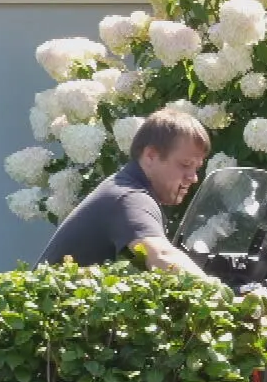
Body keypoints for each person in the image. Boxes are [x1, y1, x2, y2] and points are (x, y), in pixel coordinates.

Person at [39, 109, 211, 275]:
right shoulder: (129, 197)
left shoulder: (124, 187)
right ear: (151, 155)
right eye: (185, 164)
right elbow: (162, 256)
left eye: (196, 168)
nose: (194, 178)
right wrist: (219, 292)